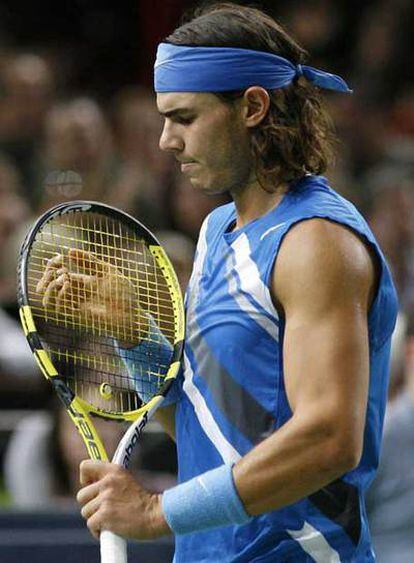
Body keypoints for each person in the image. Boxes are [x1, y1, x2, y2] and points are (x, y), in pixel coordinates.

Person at [66, 3, 397, 561]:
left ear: (252, 106)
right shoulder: (219, 230)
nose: (166, 140)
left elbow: (329, 439)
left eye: (185, 118)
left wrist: (155, 512)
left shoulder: (316, 243)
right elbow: (206, 428)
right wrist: (134, 336)